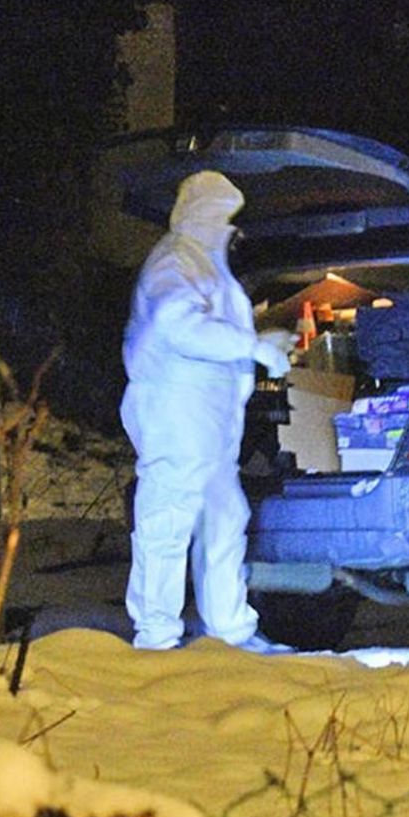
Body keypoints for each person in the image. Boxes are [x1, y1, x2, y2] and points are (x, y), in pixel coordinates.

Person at [120, 170, 296, 651]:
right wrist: (254, 346)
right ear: (202, 215)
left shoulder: (205, 264)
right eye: (223, 218)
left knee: (223, 517)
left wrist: (258, 344)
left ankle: (230, 631)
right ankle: (156, 633)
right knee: (169, 516)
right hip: (177, 411)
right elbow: (178, 326)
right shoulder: (176, 260)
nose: (231, 230)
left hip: (210, 417)